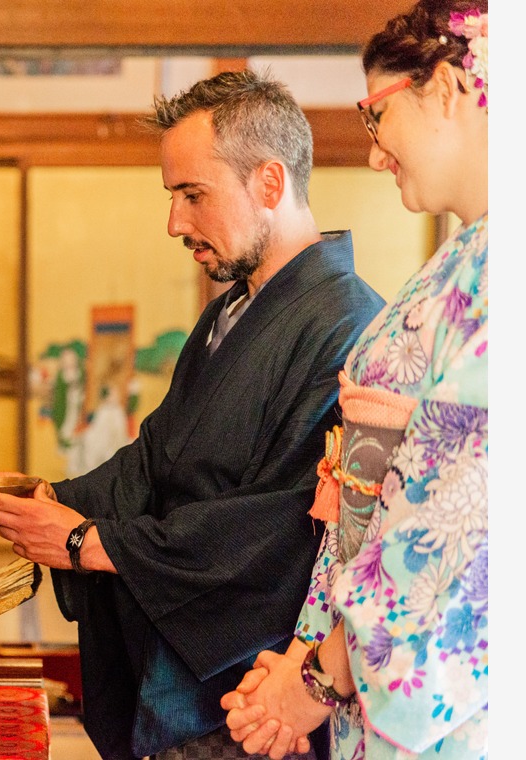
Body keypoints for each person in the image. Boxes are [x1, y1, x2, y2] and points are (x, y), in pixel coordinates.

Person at [0, 70, 384, 760]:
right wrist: (54, 501)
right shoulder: (230, 313)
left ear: (270, 183)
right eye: (173, 197)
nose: (175, 222)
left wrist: (91, 543)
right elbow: (158, 457)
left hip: (250, 691)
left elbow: (285, 524)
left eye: (193, 195)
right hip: (175, 664)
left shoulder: (349, 326)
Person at [220, 2, 488, 758]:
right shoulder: (467, 257)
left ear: (443, 89)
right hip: (357, 649)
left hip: (417, 669)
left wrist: (313, 679)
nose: (372, 151)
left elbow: (459, 530)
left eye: (375, 116)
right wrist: (311, 661)